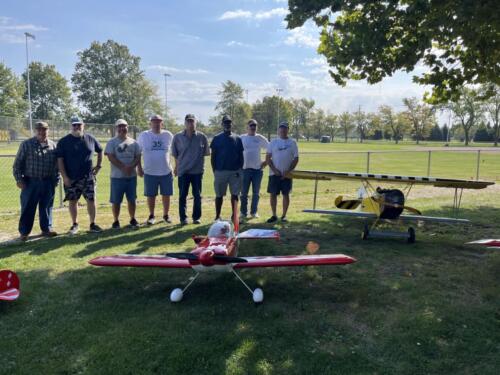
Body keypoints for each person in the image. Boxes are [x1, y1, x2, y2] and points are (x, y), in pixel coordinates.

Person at [56, 116, 103, 234]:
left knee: (91, 200)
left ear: (83, 125)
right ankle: (75, 224)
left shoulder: (90, 138)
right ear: (71, 126)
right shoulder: (63, 141)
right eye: (74, 125)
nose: (77, 127)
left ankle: (92, 224)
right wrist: (65, 177)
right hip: (71, 178)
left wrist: (98, 166)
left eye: (79, 124)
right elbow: (60, 160)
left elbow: (100, 150)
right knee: (73, 201)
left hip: (88, 177)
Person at [13, 121, 59, 241]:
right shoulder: (26, 145)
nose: (41, 132)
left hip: (48, 182)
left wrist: (56, 180)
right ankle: (24, 232)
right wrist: (19, 179)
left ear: (48, 130)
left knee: (47, 207)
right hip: (30, 182)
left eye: (44, 129)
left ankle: (46, 229)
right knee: (28, 207)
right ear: (35, 131)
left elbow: (57, 166)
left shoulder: (53, 146)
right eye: (39, 129)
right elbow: (17, 165)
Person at [172, 114, 210, 225]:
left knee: (197, 195)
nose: (190, 123)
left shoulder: (202, 137)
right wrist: (176, 167)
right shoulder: (178, 137)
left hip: (197, 172)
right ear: (185, 123)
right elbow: (175, 154)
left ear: (195, 123)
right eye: (188, 121)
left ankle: (196, 217)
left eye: (192, 121)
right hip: (183, 172)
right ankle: (183, 218)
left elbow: (206, 153)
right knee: (182, 195)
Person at [137, 114, 174, 225]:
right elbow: (138, 153)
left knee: (166, 195)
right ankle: (151, 215)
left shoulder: (168, 135)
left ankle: (166, 215)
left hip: (166, 171)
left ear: (162, 123)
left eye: (159, 122)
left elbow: (174, 151)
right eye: (154, 121)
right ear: (150, 123)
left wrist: (175, 166)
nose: (156, 124)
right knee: (151, 195)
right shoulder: (144, 135)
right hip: (149, 171)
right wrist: (139, 167)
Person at [105, 119, 141, 229]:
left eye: (124, 126)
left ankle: (132, 218)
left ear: (127, 128)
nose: (122, 128)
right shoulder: (112, 142)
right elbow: (110, 157)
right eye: (119, 126)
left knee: (132, 199)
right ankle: (116, 221)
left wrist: (131, 167)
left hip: (131, 176)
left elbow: (138, 156)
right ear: (116, 128)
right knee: (116, 201)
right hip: (117, 177)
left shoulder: (134, 142)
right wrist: (123, 167)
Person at [210, 115, 243, 221]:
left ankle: (234, 215)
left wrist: (240, 169)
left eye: (229, 123)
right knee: (219, 195)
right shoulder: (216, 138)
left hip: (235, 172)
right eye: (225, 123)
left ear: (231, 124)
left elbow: (241, 156)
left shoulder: (237, 138)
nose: (227, 125)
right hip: (220, 171)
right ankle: (217, 215)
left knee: (235, 195)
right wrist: (214, 170)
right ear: (222, 124)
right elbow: (213, 156)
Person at [266, 121, 299, 223]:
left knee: (286, 194)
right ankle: (274, 215)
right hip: (274, 174)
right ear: (278, 130)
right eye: (281, 128)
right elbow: (267, 158)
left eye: (285, 128)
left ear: (288, 130)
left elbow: (296, 158)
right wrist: (275, 170)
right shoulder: (273, 142)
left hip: (287, 174)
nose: (283, 130)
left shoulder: (292, 143)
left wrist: (288, 171)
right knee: (273, 194)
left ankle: (284, 216)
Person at [240, 119, 269, 220]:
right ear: (247, 127)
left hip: (257, 170)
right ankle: (243, 213)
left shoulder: (259, 138)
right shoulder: (242, 138)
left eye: (255, 126)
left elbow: (270, 149)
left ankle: (254, 212)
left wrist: (265, 162)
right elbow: (235, 152)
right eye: (251, 125)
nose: (253, 127)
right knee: (243, 193)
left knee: (256, 193)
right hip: (244, 170)